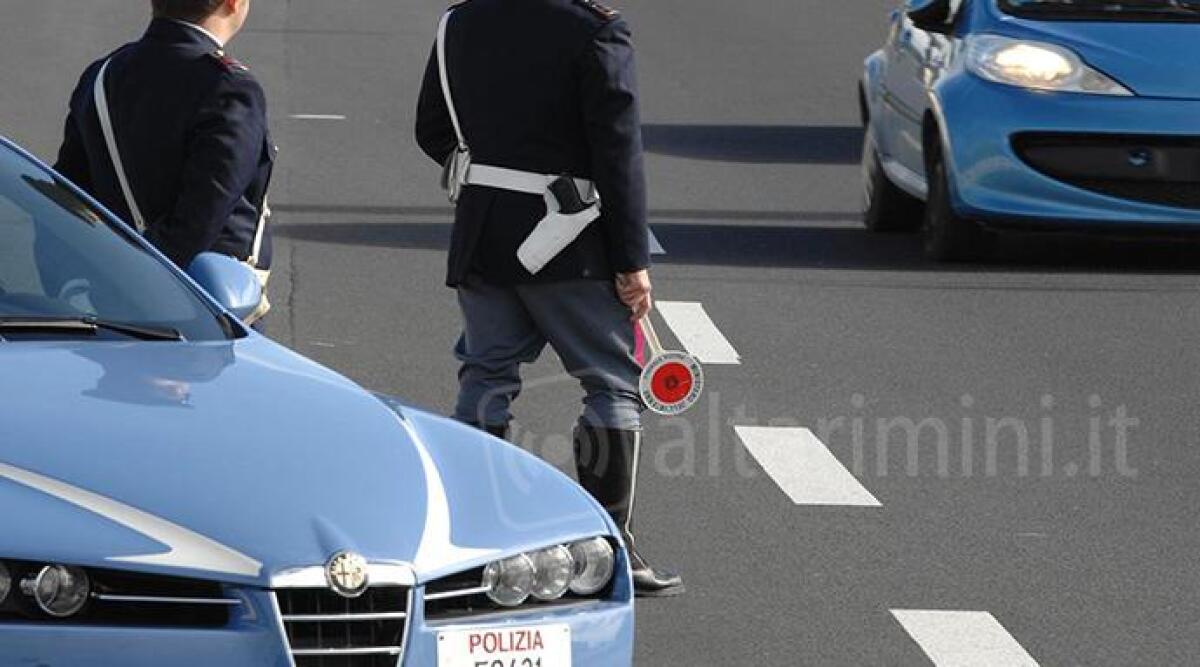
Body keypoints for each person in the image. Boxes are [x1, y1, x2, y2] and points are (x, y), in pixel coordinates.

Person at [416, 0, 683, 596]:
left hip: (484, 234)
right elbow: (617, 149)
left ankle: (474, 544)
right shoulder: (595, 28)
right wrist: (631, 258)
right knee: (612, 385)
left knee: (485, 378)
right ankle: (609, 550)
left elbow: (432, 129)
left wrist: (496, 182)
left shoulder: (461, 20)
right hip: (573, 243)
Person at [53, 0, 274, 328]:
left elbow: (64, 197)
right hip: (199, 305)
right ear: (234, 3)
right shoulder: (228, 87)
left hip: (110, 296)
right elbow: (202, 215)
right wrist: (146, 280)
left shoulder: (103, 74)